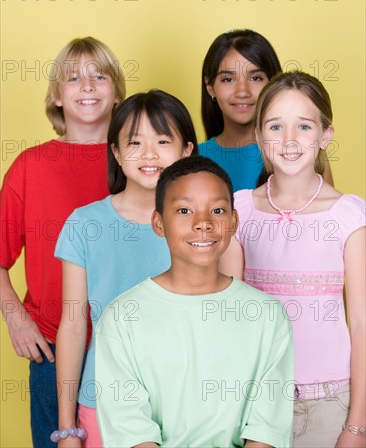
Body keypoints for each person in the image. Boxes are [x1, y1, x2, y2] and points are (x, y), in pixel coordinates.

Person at [95, 156, 294, 448]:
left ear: (234, 221)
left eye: (217, 210)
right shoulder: (123, 317)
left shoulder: (267, 316)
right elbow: (130, 429)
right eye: (185, 210)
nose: (203, 223)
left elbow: (267, 429)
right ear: (159, 222)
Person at [220, 72, 366, 447]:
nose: (288, 141)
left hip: (330, 403)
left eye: (303, 126)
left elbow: (362, 325)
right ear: (258, 135)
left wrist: (357, 425)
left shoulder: (348, 215)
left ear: (324, 135)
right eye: (275, 126)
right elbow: (229, 316)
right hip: (257, 402)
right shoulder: (240, 210)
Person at [0, 36, 126, 448]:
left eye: (99, 76)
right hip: (53, 347)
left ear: (117, 93)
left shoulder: (138, 161)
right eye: (73, 78)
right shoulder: (29, 167)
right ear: (56, 96)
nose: (87, 85)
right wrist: (16, 318)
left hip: (130, 343)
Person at [54, 90, 197, 447]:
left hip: (186, 407)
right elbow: (72, 325)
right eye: (135, 142)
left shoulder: (203, 224)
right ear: (116, 152)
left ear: (187, 151)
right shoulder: (84, 224)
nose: (149, 154)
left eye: (163, 140)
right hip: (103, 403)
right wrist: (67, 427)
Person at [199, 29, 333, 190]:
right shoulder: (194, 157)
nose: (242, 91)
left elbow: (327, 209)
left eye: (256, 78)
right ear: (210, 87)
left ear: (273, 83)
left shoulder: (301, 151)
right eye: (228, 79)